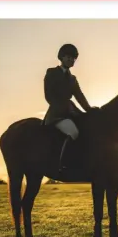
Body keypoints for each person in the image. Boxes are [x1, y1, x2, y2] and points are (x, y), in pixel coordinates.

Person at [43, 44, 96, 173]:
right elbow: (49, 96)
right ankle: (64, 163)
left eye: (73, 58)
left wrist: (90, 110)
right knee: (73, 132)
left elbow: (79, 96)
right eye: (68, 57)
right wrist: (62, 107)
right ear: (61, 57)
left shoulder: (73, 79)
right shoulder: (51, 72)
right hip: (56, 114)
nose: (71, 60)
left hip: (71, 110)